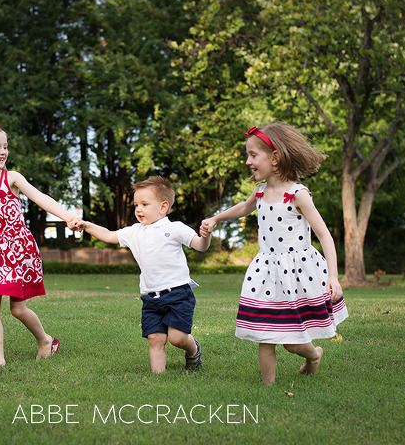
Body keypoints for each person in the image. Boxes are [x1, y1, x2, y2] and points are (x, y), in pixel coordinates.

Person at [200, 123, 348, 385]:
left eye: (253, 155)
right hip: (266, 270)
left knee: (292, 344)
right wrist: (216, 218)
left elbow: (324, 235)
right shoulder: (259, 191)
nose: (248, 161)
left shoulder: (297, 194)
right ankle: (267, 387)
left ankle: (313, 356)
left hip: (298, 272)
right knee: (263, 334)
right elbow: (244, 208)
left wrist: (333, 277)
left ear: (275, 157)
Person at [0, 122, 80, 367]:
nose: (3, 152)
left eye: (5, 147)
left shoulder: (11, 178)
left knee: (17, 309)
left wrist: (67, 217)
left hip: (16, 249)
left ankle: (45, 340)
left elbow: (40, 197)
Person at [76, 176, 211, 373]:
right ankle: (158, 380)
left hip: (178, 294)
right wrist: (87, 225)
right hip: (150, 297)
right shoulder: (134, 232)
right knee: (155, 338)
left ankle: (193, 349)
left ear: (163, 207)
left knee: (177, 338)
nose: (138, 209)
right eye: (136, 205)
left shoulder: (174, 228)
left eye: (145, 204)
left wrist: (205, 237)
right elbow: (108, 234)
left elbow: (200, 246)